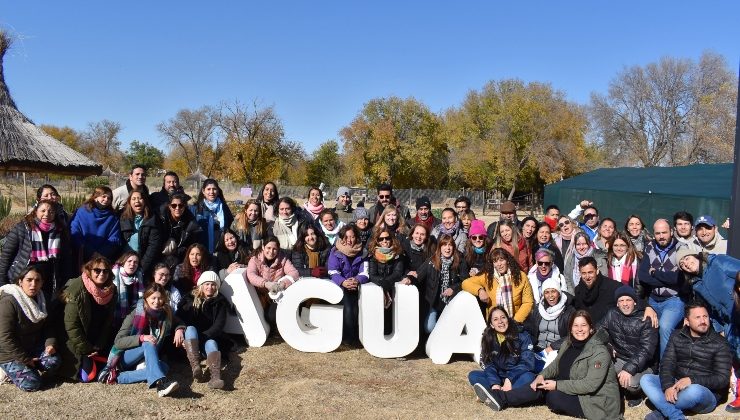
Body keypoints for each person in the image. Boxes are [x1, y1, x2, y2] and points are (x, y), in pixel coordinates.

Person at [475, 310, 621, 419]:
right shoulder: (568, 343)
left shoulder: (599, 351)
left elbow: (590, 385)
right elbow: (555, 366)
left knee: (553, 397)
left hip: (597, 402)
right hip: (570, 385)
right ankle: (500, 397)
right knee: (539, 385)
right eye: (575, 325)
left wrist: (556, 385)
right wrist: (541, 376)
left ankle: (500, 397)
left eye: (584, 325)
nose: (580, 329)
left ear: (591, 328)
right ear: (570, 328)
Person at [640, 303, 731, 420]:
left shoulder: (720, 343)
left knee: (694, 391)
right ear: (687, 321)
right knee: (646, 379)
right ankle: (675, 415)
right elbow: (667, 363)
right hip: (677, 383)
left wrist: (692, 380)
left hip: (705, 392)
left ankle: (662, 411)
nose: (703, 321)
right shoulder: (677, 336)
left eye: (705, 316)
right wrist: (667, 386)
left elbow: (722, 379)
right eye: (697, 317)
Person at [100, 283, 184, 397]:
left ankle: (118, 377)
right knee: (149, 344)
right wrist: (141, 338)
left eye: (160, 298)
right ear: (146, 299)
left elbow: (179, 322)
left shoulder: (165, 314)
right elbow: (118, 341)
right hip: (126, 357)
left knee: (164, 367)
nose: (157, 301)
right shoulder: (135, 313)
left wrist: (179, 329)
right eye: (153, 298)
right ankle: (161, 385)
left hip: (147, 358)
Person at [0, 267, 61, 391]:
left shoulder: (42, 299)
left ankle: (28, 368)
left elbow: (48, 326)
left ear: (42, 283)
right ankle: (5, 370)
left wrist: (50, 344)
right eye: (29, 280)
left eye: (37, 280)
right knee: (32, 384)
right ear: (20, 281)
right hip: (9, 353)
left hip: (31, 346)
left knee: (53, 362)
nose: (33, 284)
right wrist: (25, 359)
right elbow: (4, 337)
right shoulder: (9, 301)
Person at [57, 255, 116, 381]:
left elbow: (108, 321)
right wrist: (87, 349)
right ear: (89, 270)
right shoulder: (75, 289)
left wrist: (99, 344)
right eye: (97, 270)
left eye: (105, 271)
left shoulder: (111, 290)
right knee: (88, 377)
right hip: (77, 342)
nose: (102, 274)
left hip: (97, 341)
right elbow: (71, 325)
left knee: (112, 367)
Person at [599, 285, 658, 406]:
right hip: (620, 358)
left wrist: (628, 369)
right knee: (600, 371)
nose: (625, 304)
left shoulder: (646, 319)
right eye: (621, 301)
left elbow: (646, 350)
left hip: (644, 364)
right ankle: (618, 390)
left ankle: (636, 395)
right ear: (617, 304)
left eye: (628, 300)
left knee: (630, 383)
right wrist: (607, 344)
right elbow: (598, 331)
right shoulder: (612, 314)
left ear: (635, 302)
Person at [0, 199, 68, 302]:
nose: (47, 214)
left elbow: (65, 261)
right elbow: (6, 257)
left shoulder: (60, 232)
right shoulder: (22, 228)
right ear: (35, 211)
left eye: (51, 212)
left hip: (48, 284)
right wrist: (3, 284)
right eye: (43, 211)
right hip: (22, 281)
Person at [638, 219, 688, 357]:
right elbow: (642, 276)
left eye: (664, 232)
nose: (661, 236)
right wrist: (667, 280)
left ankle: (664, 370)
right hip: (653, 299)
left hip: (674, 299)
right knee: (645, 327)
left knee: (665, 327)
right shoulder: (649, 247)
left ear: (671, 231)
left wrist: (655, 273)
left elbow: (679, 278)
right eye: (658, 233)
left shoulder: (681, 248)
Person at [468, 307, 536, 396]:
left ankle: (497, 395)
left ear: (508, 319)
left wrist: (509, 379)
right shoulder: (488, 338)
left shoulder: (522, 335)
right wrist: (494, 383)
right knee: (473, 375)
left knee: (529, 377)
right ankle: (500, 391)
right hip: (499, 376)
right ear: (492, 325)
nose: (500, 321)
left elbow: (528, 362)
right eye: (495, 319)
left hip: (516, 375)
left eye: (503, 317)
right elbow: (488, 363)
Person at [178, 271, 229, 389]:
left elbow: (219, 325)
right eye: (207, 284)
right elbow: (180, 318)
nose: (209, 287)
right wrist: (181, 334)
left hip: (208, 337)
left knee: (211, 343)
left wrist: (203, 337)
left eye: (213, 284)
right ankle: (196, 366)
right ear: (201, 285)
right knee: (190, 328)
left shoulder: (220, 302)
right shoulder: (189, 298)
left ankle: (215, 378)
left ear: (216, 286)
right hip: (191, 338)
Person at [463, 248, 534, 323]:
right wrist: (480, 291)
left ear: (507, 261)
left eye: (501, 260)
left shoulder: (521, 276)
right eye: (495, 261)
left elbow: (528, 302)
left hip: (515, 322)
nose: (499, 264)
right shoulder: (488, 277)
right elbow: (466, 283)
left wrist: (515, 321)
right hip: (494, 323)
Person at [417, 234, 467, 333]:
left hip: (451, 302)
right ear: (440, 247)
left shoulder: (460, 261)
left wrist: (453, 289)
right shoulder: (432, 261)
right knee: (429, 328)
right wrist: (409, 278)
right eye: (444, 245)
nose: (447, 248)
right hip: (434, 302)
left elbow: (466, 281)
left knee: (453, 329)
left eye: (450, 245)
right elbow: (418, 274)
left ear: (453, 247)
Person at [327, 225, 368, 344]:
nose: (349, 240)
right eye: (346, 237)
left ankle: (359, 335)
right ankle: (349, 337)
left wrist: (357, 280)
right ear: (342, 238)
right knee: (349, 307)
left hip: (357, 285)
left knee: (358, 307)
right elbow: (332, 271)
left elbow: (365, 271)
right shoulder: (335, 251)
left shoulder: (363, 252)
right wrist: (343, 282)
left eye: (353, 237)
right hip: (341, 286)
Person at [523, 278, 575, 370]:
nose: (550, 295)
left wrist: (552, 347)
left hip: (556, 350)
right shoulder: (538, 309)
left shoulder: (569, 311)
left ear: (559, 293)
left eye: (553, 291)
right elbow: (529, 329)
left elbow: (572, 335)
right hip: (538, 348)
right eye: (547, 292)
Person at [246, 236, 299, 325]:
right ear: (263, 247)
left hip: (277, 295)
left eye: (274, 249)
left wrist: (282, 284)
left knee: (272, 317)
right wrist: (266, 284)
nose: (271, 252)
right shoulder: (254, 259)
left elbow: (294, 273)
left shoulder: (283, 259)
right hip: (260, 294)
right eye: (268, 248)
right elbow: (251, 275)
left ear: (278, 250)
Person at [70, 186, 122, 264]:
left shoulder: (113, 217)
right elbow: (74, 231)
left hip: (103, 259)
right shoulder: (82, 212)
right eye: (103, 196)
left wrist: (100, 254)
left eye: (109, 198)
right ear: (95, 197)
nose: (106, 200)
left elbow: (115, 238)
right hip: (81, 256)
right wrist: (89, 251)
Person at [119, 188, 161, 278]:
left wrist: (141, 267)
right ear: (129, 202)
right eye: (133, 199)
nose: (137, 201)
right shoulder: (123, 218)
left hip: (142, 263)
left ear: (145, 201)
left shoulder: (152, 219)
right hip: (123, 262)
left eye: (140, 198)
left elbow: (153, 246)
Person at [573, 257, 622, 324]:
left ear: (597, 271)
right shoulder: (578, 290)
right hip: (588, 331)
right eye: (584, 273)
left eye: (590, 272)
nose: (587, 277)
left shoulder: (613, 287)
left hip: (607, 330)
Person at [159, 192, 202, 269]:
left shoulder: (191, 223)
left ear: (185, 207)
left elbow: (190, 246)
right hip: (160, 256)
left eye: (181, 205)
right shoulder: (160, 219)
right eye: (174, 205)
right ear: (169, 206)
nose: (177, 208)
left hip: (180, 258)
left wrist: (176, 251)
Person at [190, 179, 233, 255]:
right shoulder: (195, 209)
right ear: (203, 191)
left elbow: (230, 227)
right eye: (208, 189)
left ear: (218, 191)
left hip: (219, 251)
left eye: (214, 189)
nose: (211, 192)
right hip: (200, 252)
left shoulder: (224, 208)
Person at [110, 251, 145, 332]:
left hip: (130, 319)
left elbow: (140, 300)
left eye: (135, 262)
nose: (132, 264)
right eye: (129, 261)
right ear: (123, 262)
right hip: (112, 317)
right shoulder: (112, 275)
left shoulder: (139, 277)